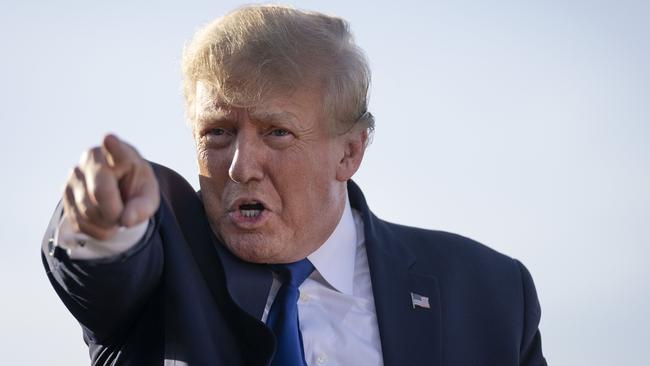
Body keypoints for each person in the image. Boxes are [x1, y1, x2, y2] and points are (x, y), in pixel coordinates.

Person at [42, 5, 547, 366]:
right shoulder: (163, 259)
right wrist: (101, 222)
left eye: (276, 133)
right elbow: (101, 268)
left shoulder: (491, 293)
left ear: (349, 152)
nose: (240, 167)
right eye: (217, 132)